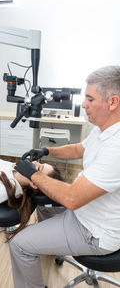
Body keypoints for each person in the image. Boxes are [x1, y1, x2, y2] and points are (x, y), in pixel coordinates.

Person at [10, 65, 120, 288]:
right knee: (45, 204)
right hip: (86, 212)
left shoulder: (116, 147)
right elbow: (79, 149)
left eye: (90, 99)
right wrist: (47, 151)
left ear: (113, 102)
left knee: (18, 244)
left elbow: (72, 199)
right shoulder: (104, 130)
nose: (84, 105)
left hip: (95, 231)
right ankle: (50, 247)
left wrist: (33, 174)